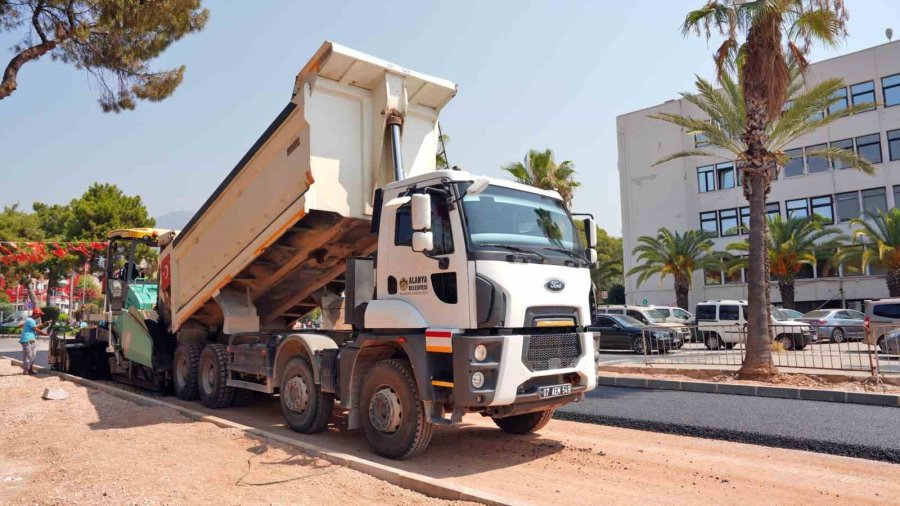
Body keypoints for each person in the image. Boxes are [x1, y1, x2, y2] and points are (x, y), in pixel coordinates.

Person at [19, 308, 48, 375]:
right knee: (28, 356)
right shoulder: (30, 320)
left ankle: (29, 370)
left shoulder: (31, 320)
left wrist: (44, 324)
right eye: (39, 315)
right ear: (35, 314)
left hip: (31, 339)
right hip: (26, 340)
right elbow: (36, 329)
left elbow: (36, 327)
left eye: (40, 315)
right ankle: (26, 371)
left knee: (33, 355)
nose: (39, 316)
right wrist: (45, 334)